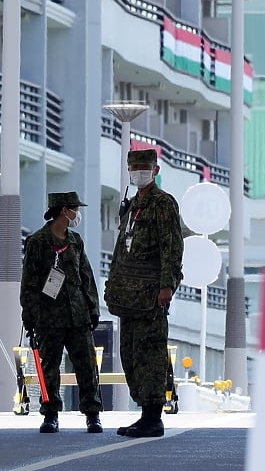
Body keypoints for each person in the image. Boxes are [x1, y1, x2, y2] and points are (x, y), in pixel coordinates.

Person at [104, 149, 184, 438]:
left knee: (151, 353)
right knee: (130, 352)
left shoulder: (163, 204)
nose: (138, 171)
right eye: (134, 167)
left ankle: (153, 416)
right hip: (128, 295)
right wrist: (112, 284)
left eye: (144, 166)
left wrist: (167, 285)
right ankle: (143, 412)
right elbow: (120, 249)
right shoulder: (131, 205)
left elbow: (172, 247)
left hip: (151, 293)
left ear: (155, 169)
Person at [20, 192, 103, 434]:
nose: (77, 214)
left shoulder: (76, 241)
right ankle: (50, 414)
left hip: (78, 315)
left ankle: (92, 413)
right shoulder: (37, 242)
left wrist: (92, 308)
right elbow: (30, 283)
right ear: (63, 210)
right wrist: (30, 314)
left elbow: (86, 277)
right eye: (74, 209)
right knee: (50, 367)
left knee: (87, 366)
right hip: (48, 316)